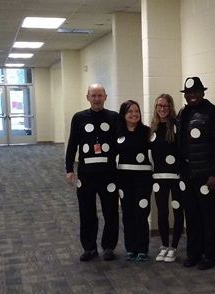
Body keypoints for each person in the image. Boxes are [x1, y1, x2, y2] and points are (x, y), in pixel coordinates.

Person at [176, 77, 215, 270]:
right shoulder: (183, 113)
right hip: (188, 175)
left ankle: (210, 255)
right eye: (189, 93)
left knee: (210, 217)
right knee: (192, 216)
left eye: (196, 92)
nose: (192, 96)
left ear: (203, 93)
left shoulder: (214, 113)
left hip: (208, 176)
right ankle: (193, 254)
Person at [65, 83, 119, 262]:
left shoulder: (113, 117)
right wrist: (69, 169)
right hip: (86, 174)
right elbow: (72, 144)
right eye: (93, 95)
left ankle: (109, 247)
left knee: (110, 211)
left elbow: (122, 143)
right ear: (87, 97)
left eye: (99, 95)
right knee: (86, 212)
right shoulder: (79, 118)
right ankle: (89, 248)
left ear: (106, 96)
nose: (96, 99)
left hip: (109, 174)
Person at [149, 94, 184, 263]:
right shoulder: (153, 129)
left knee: (177, 211)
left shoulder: (177, 126)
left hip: (177, 178)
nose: (162, 109)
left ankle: (174, 246)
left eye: (165, 106)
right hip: (158, 177)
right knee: (162, 212)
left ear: (170, 107)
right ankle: (164, 245)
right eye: (159, 106)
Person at [116, 100, 152, 262]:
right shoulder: (117, 133)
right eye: (130, 111)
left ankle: (142, 249)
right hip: (124, 180)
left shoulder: (147, 132)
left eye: (136, 111)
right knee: (128, 214)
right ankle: (131, 249)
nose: (134, 114)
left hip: (143, 180)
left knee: (141, 214)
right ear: (123, 115)